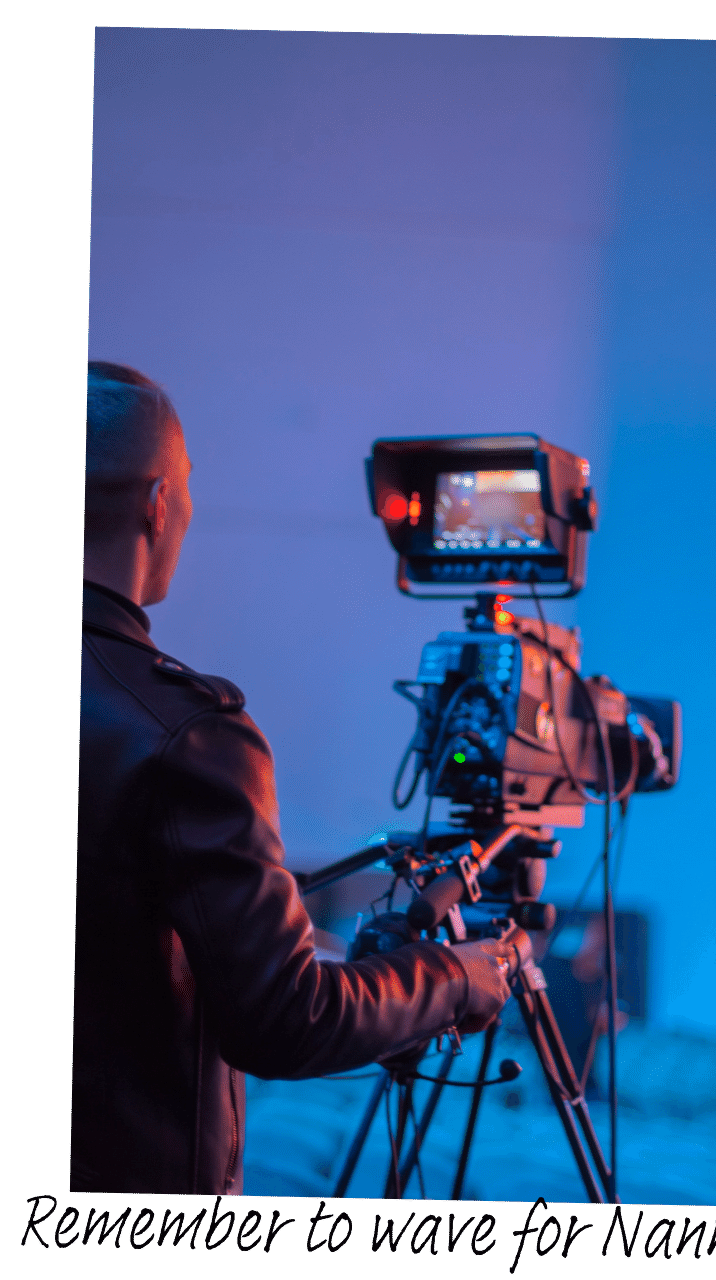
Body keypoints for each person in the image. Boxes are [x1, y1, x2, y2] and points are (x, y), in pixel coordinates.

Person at [74, 360, 517, 1194]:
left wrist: (292, 943)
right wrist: (461, 976)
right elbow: (287, 1022)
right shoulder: (188, 737)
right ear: (158, 503)